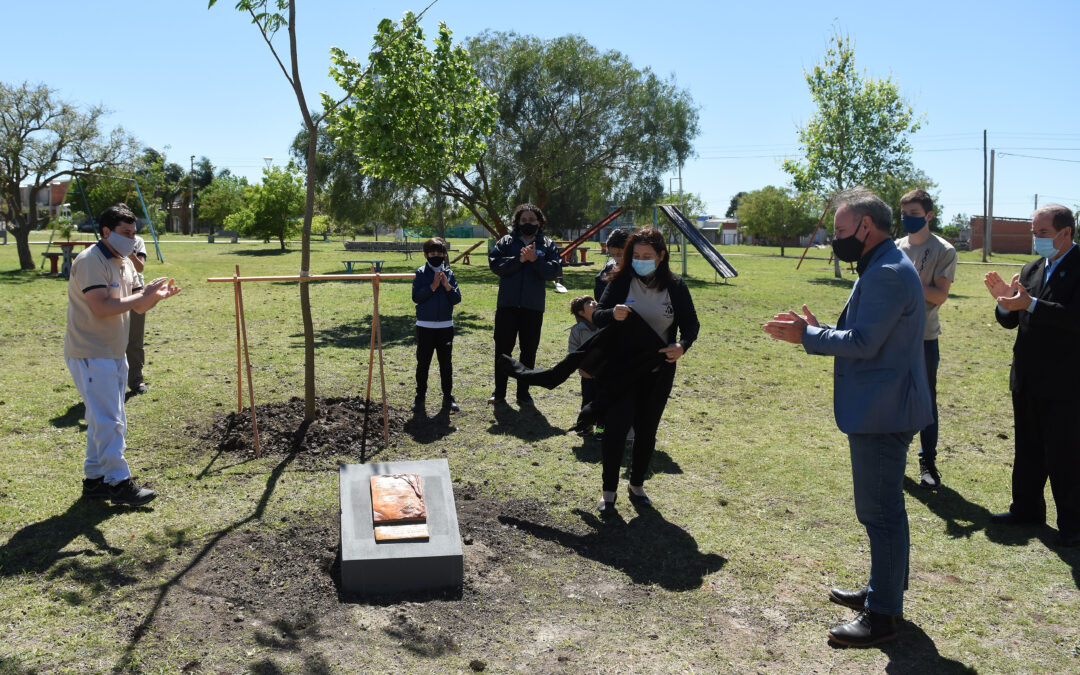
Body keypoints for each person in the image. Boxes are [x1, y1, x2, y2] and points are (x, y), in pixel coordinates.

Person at [763, 187, 932, 647]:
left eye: (839, 230)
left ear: (866, 226)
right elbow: (866, 332)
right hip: (886, 405)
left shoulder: (886, 272)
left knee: (879, 514)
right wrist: (820, 330)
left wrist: (809, 336)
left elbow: (863, 343)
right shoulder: (882, 264)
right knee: (884, 512)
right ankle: (885, 592)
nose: (834, 238)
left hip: (883, 412)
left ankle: (882, 616)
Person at [67, 203, 181, 506]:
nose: (132, 239)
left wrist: (154, 298)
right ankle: (118, 482)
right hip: (90, 352)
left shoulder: (125, 263)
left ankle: (95, 481)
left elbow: (137, 306)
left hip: (114, 351)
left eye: (134, 233)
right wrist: (140, 296)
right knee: (109, 420)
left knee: (100, 419)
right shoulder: (91, 260)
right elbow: (103, 307)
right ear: (106, 232)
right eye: (125, 233)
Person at [983, 204, 1080, 548]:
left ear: (1066, 232)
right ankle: (1026, 509)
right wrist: (1004, 301)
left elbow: (1073, 318)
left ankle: (1072, 525)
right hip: (1026, 377)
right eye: (1033, 233)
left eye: (1043, 233)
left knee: (1065, 454)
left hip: (1065, 383)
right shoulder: (1032, 268)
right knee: (1028, 449)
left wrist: (1031, 305)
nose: (1036, 239)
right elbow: (1012, 319)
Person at [592, 227, 699, 513]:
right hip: (621, 370)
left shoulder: (676, 286)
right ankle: (608, 492)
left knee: (646, 429)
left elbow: (691, 325)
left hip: (658, 371)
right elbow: (599, 316)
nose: (640, 260)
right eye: (636, 255)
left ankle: (637, 484)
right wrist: (612, 314)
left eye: (647, 256)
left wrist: (682, 345)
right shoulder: (619, 280)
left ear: (661, 256)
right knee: (615, 429)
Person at [896, 189, 956, 488]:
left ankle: (927, 463)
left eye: (915, 215)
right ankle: (893, 458)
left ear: (929, 215)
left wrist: (907, 283)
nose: (908, 219)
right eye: (904, 214)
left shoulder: (944, 250)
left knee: (925, 400)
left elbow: (940, 295)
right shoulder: (895, 247)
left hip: (924, 338)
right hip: (892, 336)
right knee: (891, 396)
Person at [488, 203, 562, 406]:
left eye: (532, 220)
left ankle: (523, 393)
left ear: (539, 222)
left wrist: (535, 261)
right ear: (517, 222)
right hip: (507, 305)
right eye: (523, 220)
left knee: (528, 350)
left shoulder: (547, 244)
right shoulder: (506, 241)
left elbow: (554, 271)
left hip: (533, 306)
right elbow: (496, 265)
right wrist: (519, 260)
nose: (527, 223)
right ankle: (499, 392)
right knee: (503, 349)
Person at [411, 237, 461, 413]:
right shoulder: (420, 272)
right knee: (423, 363)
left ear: (445, 255)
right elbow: (416, 297)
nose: (436, 256)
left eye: (439, 253)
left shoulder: (449, 273)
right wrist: (432, 286)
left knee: (446, 364)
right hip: (425, 326)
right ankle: (420, 397)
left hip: (445, 326)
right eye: (432, 253)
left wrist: (447, 286)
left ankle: (448, 396)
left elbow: (456, 299)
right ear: (426, 255)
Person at [568, 295, 601, 437]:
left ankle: (601, 431)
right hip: (587, 374)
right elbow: (573, 352)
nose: (594, 303)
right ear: (581, 312)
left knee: (603, 403)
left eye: (593, 301)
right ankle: (586, 427)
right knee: (587, 401)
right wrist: (582, 369)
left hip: (604, 373)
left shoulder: (604, 324)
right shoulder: (577, 330)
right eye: (589, 303)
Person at [126, 233, 150, 395]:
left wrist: (130, 254)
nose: (129, 234)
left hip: (135, 291)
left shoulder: (137, 241)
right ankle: (112, 381)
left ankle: (136, 380)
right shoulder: (106, 244)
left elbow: (140, 267)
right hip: (113, 291)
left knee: (135, 338)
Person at [595, 228, 630, 300]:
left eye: (620, 254)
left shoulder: (638, 267)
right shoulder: (606, 272)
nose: (617, 257)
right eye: (613, 255)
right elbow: (600, 297)